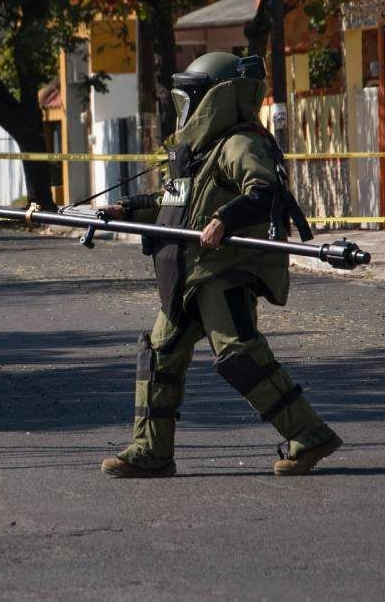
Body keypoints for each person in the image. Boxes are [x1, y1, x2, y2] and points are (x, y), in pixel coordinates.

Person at [98, 51, 342, 478]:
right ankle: (151, 451)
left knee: (239, 356)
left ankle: (309, 435)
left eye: (192, 97)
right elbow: (172, 201)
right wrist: (127, 209)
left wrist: (224, 219)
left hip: (221, 273)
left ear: (216, 98)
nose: (185, 107)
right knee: (159, 356)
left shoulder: (239, 143)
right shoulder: (201, 150)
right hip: (188, 275)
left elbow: (265, 191)